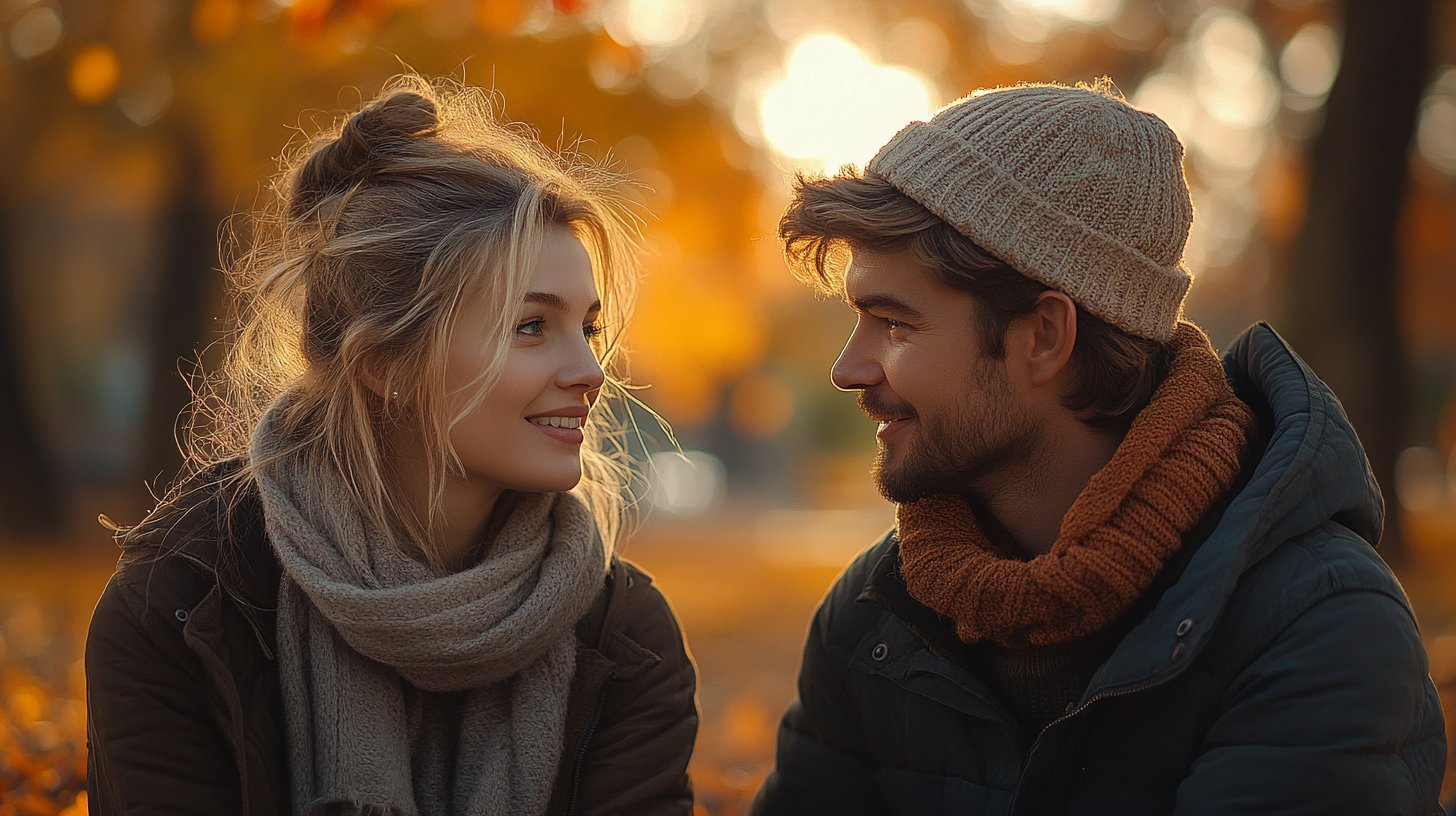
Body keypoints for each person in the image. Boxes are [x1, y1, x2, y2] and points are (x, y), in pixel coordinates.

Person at [751, 81, 1446, 814]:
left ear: (1045, 336)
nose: (846, 369)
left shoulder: (1318, 627)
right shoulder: (874, 619)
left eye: (894, 324)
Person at [85, 77, 697, 816]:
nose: (590, 372)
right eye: (531, 327)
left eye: (588, 328)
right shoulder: (190, 605)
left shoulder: (622, 636)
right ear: (383, 366)